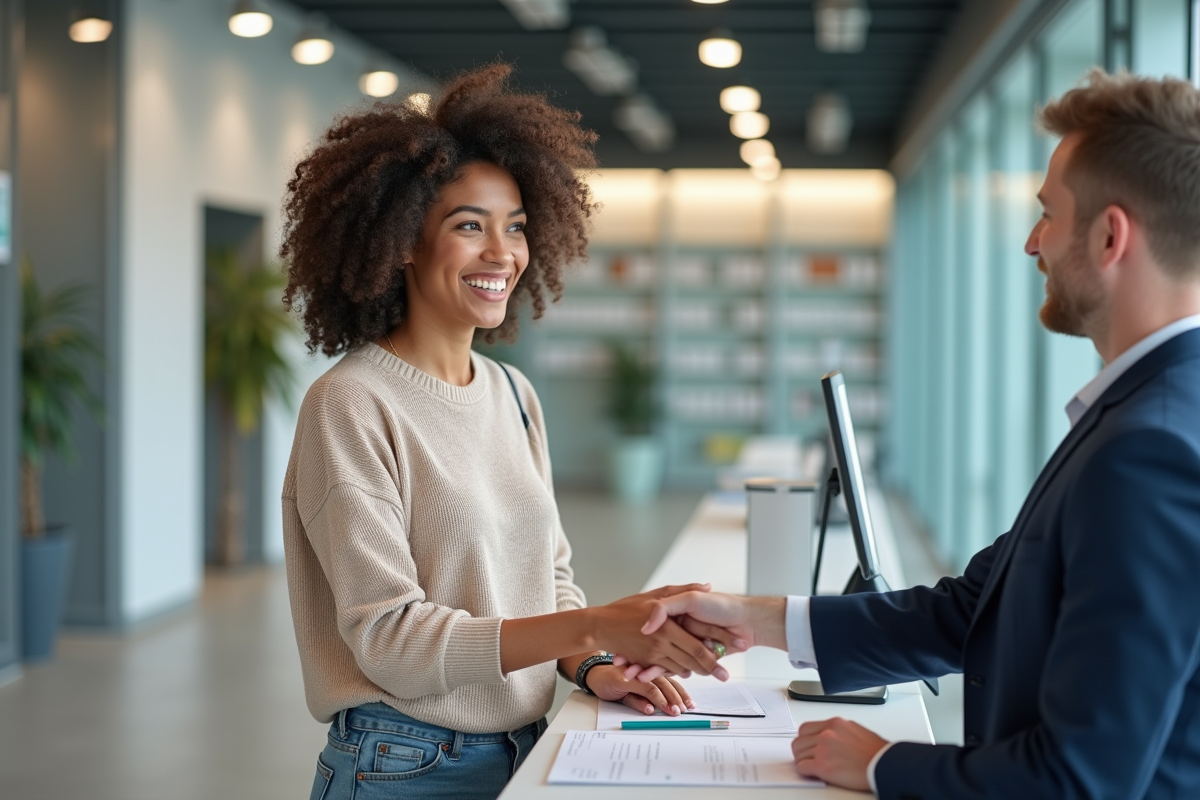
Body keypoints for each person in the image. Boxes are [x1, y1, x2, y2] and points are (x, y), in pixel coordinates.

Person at [638, 69, 1200, 800]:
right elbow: (975, 609)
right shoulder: (1142, 409)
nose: (1033, 242)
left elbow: (1079, 779)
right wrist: (755, 618)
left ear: (1110, 235)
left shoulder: (1146, 450)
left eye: (1048, 215)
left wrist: (878, 764)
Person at [279, 64, 726, 800]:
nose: (502, 254)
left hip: (526, 746)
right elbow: (390, 640)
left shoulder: (514, 393)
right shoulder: (351, 404)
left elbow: (544, 575)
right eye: (468, 227)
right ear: (401, 244)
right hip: (405, 763)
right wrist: (592, 629)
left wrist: (591, 665)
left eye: (515, 226)